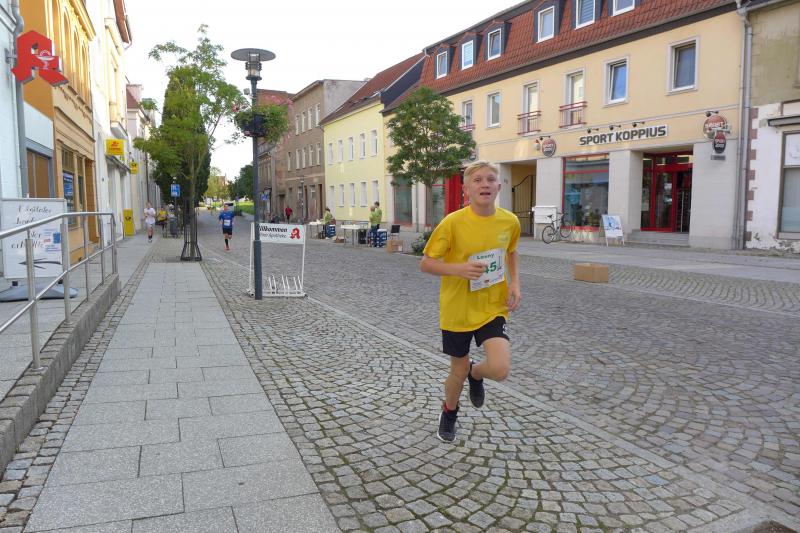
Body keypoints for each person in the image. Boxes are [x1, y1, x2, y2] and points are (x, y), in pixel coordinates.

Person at [420, 161, 521, 443]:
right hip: (458, 309)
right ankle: (449, 411)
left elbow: (511, 251)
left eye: (490, 179)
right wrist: (458, 269)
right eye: (477, 180)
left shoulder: (510, 221)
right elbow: (426, 263)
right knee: (457, 371)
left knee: (499, 369)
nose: (484, 184)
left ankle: (477, 374)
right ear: (466, 189)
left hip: (493, 305)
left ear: (499, 186)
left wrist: (515, 283)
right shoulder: (452, 223)